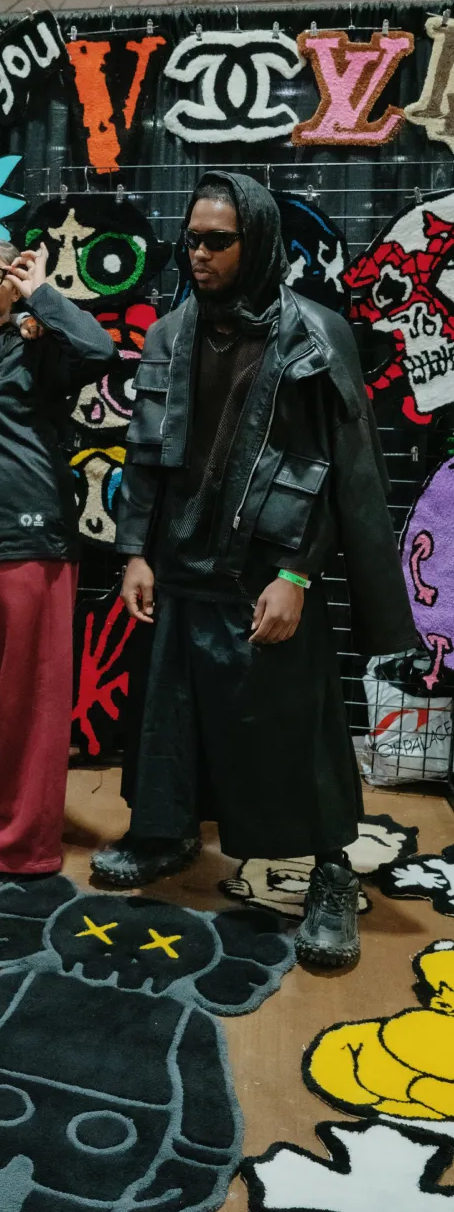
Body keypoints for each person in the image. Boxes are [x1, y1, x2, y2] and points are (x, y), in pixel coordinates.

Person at [90, 171, 419, 969]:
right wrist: (134, 552)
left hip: (268, 569)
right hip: (180, 561)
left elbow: (342, 474)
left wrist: (298, 576)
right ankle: (165, 833)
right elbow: (146, 454)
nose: (198, 255)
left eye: (217, 241)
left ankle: (331, 870)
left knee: (294, 726)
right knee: (169, 712)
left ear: (258, 241)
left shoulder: (315, 334)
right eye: (191, 241)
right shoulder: (172, 333)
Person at [0, 240, 115, 895]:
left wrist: (43, 295)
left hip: (26, 542)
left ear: (14, 284)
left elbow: (98, 350)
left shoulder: (32, 345)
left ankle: (20, 845)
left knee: (29, 698)